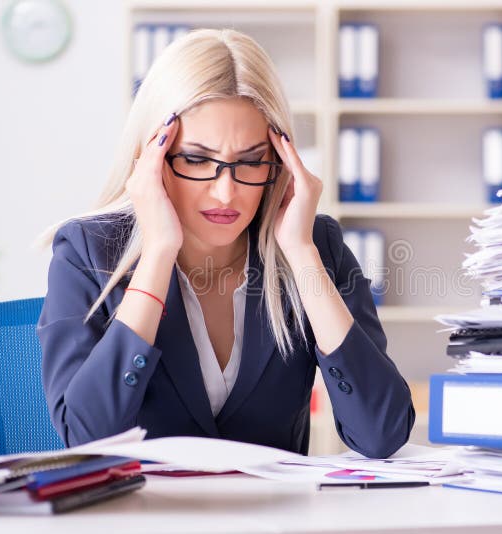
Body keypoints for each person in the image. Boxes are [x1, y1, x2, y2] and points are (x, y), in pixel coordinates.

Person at [37, 28, 414, 458]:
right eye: (197, 159)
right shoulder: (87, 250)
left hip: (272, 522)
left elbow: (382, 434)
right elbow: (87, 439)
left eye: (251, 162)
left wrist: (303, 255)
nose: (225, 192)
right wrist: (159, 253)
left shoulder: (313, 244)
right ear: (152, 157)